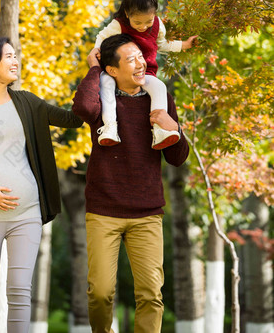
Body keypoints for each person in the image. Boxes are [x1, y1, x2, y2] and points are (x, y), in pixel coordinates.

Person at [0, 36, 83, 333]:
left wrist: (96, 75)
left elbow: (74, 119)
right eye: (8, 56)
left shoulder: (28, 102)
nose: (15, 60)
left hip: (27, 212)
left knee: (20, 293)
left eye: (15, 55)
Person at [72, 34, 189, 333]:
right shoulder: (100, 99)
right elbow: (83, 109)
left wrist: (175, 128)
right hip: (104, 210)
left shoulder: (158, 98)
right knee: (100, 293)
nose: (141, 63)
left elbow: (177, 158)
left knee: (151, 295)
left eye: (140, 55)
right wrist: (94, 69)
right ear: (112, 70)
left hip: (147, 213)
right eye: (131, 59)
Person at [88, 0, 197, 149]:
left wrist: (184, 45)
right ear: (127, 14)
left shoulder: (158, 25)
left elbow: (161, 44)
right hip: (117, 72)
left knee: (159, 87)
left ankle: (160, 129)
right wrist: (97, 50)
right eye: (137, 22)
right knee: (106, 83)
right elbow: (102, 36)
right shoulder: (119, 24)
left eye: (148, 21)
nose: (143, 27)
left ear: (155, 15)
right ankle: (110, 127)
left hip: (144, 73)